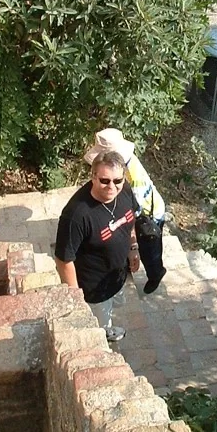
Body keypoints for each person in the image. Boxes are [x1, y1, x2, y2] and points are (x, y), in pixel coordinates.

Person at [54, 150, 140, 342]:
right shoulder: (77, 215)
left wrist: (133, 247)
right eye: (104, 180)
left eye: (117, 180)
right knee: (99, 322)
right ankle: (102, 337)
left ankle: (105, 328)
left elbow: (131, 218)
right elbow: (63, 259)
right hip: (93, 287)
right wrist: (76, 298)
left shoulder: (124, 190)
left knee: (113, 306)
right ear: (93, 177)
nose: (112, 186)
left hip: (117, 275)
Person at [83, 128, 167, 294]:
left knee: (150, 250)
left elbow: (132, 211)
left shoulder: (134, 178)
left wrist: (131, 245)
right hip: (140, 209)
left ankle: (156, 273)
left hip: (150, 215)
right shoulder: (124, 163)